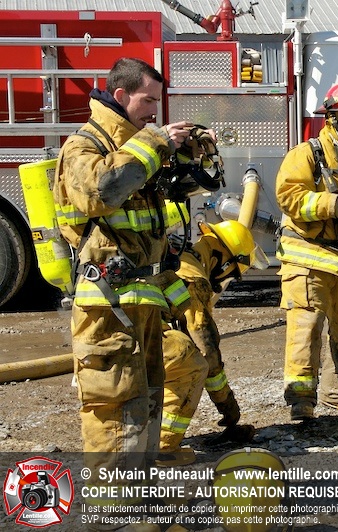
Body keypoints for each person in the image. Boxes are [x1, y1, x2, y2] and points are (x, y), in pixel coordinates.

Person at [53, 57, 193, 525]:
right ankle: (114, 510)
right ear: (120, 95)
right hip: (106, 305)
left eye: (157, 102)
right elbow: (102, 190)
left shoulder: (134, 146)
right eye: (147, 100)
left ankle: (138, 499)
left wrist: (190, 156)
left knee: (146, 402)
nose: (154, 110)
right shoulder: (85, 146)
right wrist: (155, 143)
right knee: (114, 404)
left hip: (143, 299)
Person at [275, 80, 338, 420]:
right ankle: (301, 401)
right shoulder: (306, 154)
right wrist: (335, 205)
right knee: (307, 326)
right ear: (331, 119)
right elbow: (289, 197)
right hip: (308, 255)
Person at [158, 219, 267, 466]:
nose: (226, 279)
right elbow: (206, 349)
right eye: (232, 273)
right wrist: (227, 405)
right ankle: (163, 448)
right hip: (140, 338)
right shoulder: (195, 278)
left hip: (122, 333)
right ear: (225, 262)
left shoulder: (180, 258)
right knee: (190, 363)